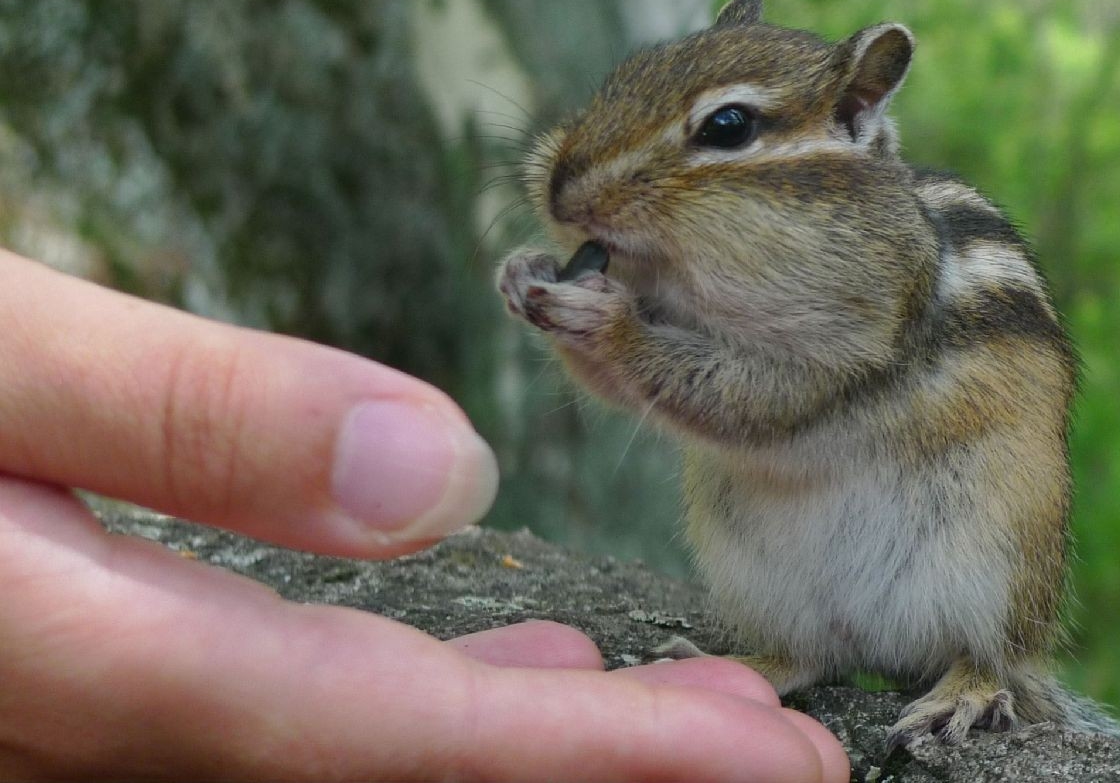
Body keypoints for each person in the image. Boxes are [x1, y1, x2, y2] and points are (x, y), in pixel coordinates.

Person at [0, 247, 849, 781]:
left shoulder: (854, 283)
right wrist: (580, 328)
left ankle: (983, 664)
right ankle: (793, 649)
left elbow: (777, 401)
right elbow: (661, 394)